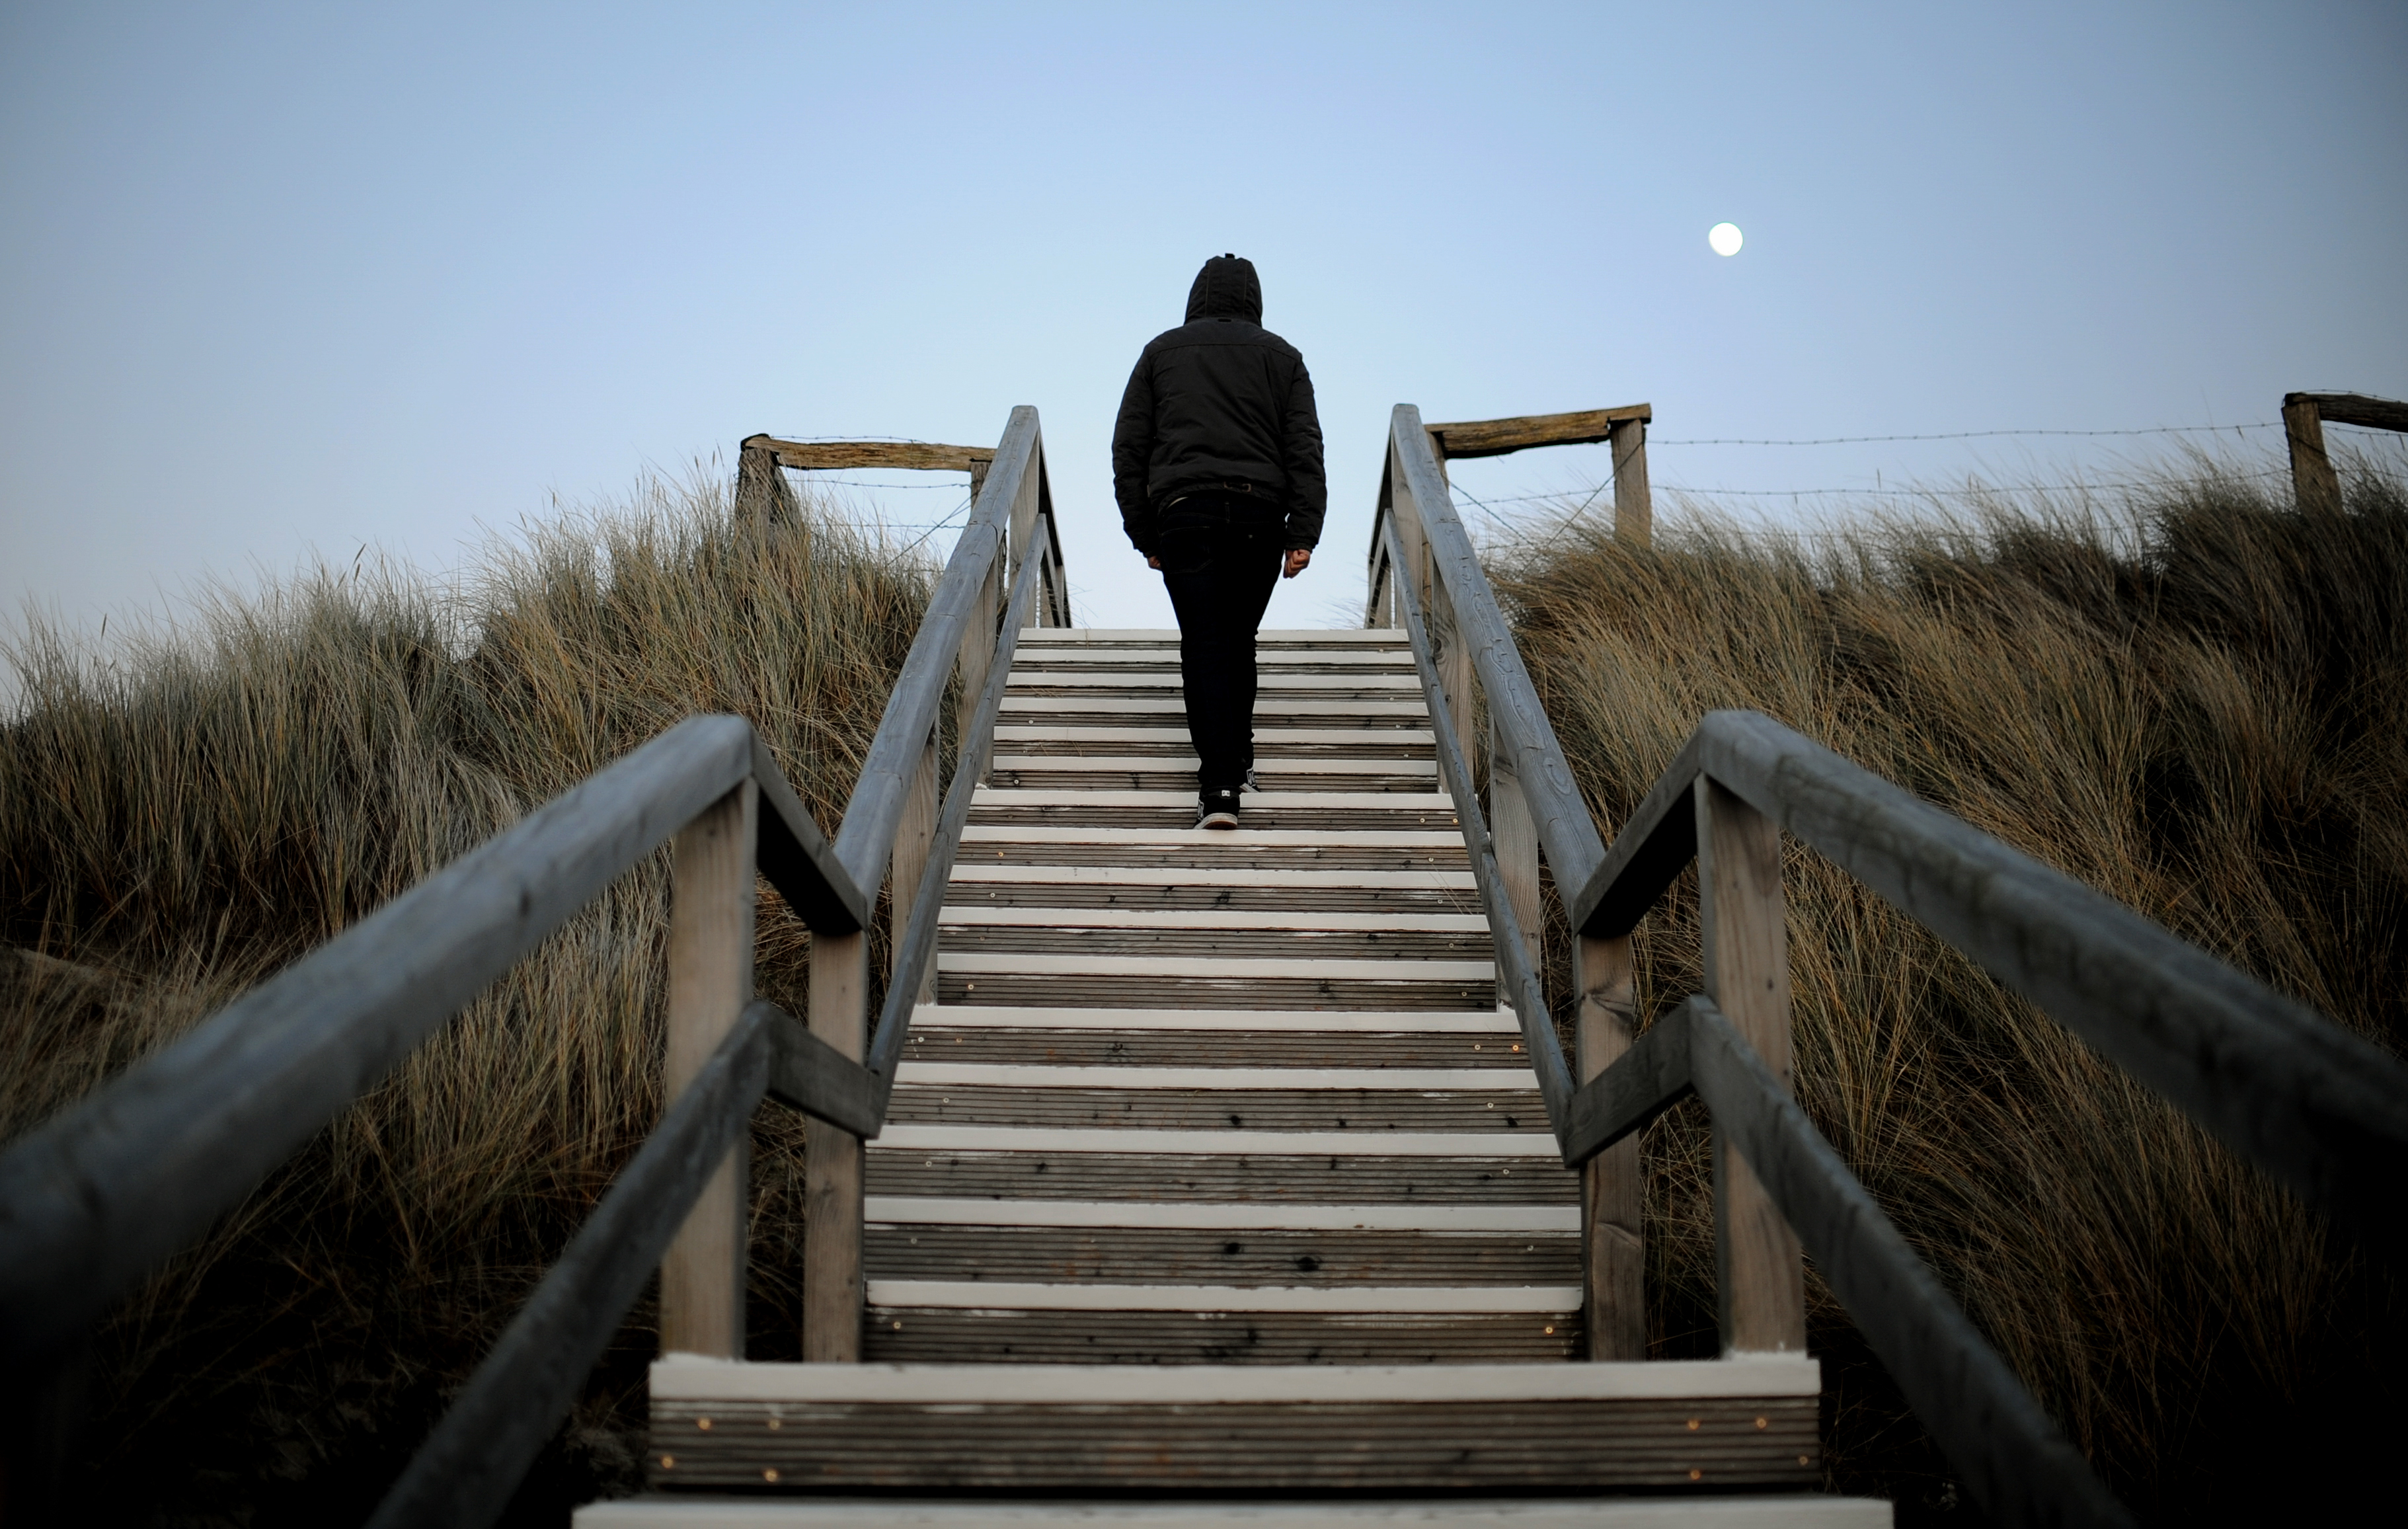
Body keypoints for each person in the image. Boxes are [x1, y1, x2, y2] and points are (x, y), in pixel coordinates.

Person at [1111, 254, 1325, 830]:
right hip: (1260, 515)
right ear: (1254, 299)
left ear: (1196, 295)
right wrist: (1303, 531)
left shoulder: (1160, 351)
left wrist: (1144, 532)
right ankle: (1239, 758)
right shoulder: (1283, 357)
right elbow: (1304, 448)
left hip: (1186, 514)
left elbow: (1129, 449)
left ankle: (1219, 787)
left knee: (1205, 642)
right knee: (1239, 639)